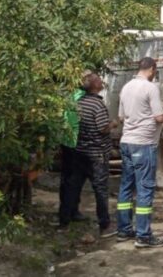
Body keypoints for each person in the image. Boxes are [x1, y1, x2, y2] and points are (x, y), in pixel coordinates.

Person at [115, 57, 163, 248]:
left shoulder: (126, 87)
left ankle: (123, 230)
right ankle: (144, 235)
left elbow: (121, 117)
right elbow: (158, 117)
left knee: (126, 186)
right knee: (145, 188)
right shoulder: (150, 88)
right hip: (144, 144)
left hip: (127, 142)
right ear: (152, 69)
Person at [72, 73, 116, 237]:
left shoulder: (80, 102)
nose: (101, 81)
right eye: (98, 79)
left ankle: (66, 218)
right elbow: (102, 127)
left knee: (75, 185)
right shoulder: (98, 105)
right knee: (100, 189)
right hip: (97, 153)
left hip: (81, 150)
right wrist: (113, 124)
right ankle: (104, 225)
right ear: (94, 85)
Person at [57, 82, 86, 228]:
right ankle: (69, 214)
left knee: (66, 179)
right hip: (76, 143)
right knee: (75, 181)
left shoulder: (66, 95)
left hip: (66, 141)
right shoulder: (82, 97)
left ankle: (65, 212)